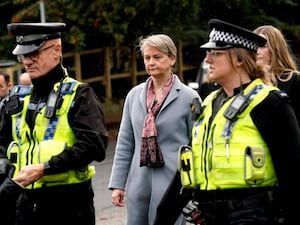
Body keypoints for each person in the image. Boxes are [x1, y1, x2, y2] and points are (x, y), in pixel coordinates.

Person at [153, 19, 300, 225]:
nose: (208, 60)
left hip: (252, 214)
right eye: (208, 53)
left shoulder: (270, 103)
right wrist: (163, 217)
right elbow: (189, 166)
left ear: (239, 59)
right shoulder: (209, 103)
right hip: (208, 216)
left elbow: (292, 175)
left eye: (216, 53)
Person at [0, 22, 109, 225]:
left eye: (34, 54)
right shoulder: (18, 98)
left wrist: (45, 168)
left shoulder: (79, 94)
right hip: (23, 204)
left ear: (56, 50)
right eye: (23, 55)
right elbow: (3, 143)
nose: (27, 61)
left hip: (68, 206)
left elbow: (95, 145)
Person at [108, 34, 201, 225]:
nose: (151, 62)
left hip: (174, 188)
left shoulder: (189, 98)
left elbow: (198, 146)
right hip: (139, 185)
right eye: (147, 58)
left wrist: (197, 190)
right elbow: (125, 142)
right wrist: (118, 184)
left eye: (157, 57)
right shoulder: (134, 96)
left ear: (172, 59)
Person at [254, 25, 300, 127]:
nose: (256, 51)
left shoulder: (294, 80)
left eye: (262, 46)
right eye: (253, 45)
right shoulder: (246, 81)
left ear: (276, 49)